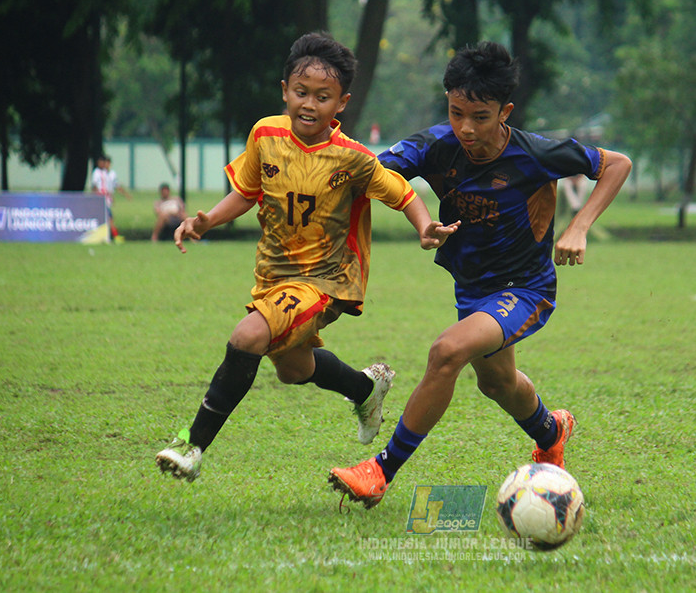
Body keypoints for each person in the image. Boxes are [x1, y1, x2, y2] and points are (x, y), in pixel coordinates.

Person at [329, 41, 632, 508]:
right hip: (473, 290)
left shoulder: (534, 153)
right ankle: (552, 432)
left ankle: (379, 471)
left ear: (505, 111)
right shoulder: (436, 145)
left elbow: (616, 164)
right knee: (496, 384)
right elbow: (373, 174)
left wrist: (579, 225)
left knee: (445, 352)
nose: (466, 128)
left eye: (481, 116)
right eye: (455, 113)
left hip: (526, 290)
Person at [155, 32, 458, 482]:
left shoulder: (352, 158)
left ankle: (191, 446)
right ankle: (365, 387)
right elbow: (246, 191)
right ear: (284, 91)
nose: (309, 104)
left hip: (327, 279)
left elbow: (402, 193)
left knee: (247, 336)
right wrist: (206, 222)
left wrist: (424, 225)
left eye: (323, 96)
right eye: (301, 93)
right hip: (273, 275)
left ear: (342, 104)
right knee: (294, 370)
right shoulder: (265, 134)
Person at [91, 154, 131, 242]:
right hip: (100, 199)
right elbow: (94, 186)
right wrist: (95, 196)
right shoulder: (96, 172)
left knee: (107, 217)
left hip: (106, 199)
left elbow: (112, 186)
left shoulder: (107, 173)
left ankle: (107, 236)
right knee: (108, 217)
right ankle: (114, 236)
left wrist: (113, 196)